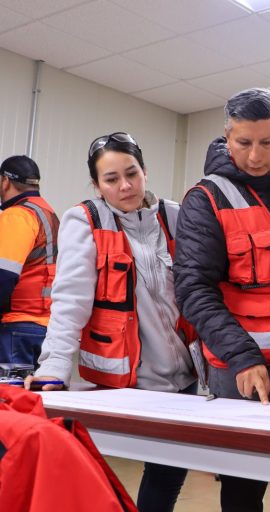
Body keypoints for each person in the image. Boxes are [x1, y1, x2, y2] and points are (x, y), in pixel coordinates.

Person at [173, 88, 270, 512]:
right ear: (227, 137)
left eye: (267, 142)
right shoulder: (205, 198)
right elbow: (193, 289)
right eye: (243, 143)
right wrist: (242, 355)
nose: (256, 156)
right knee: (244, 483)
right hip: (242, 365)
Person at [27, 132, 197, 512]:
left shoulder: (175, 216)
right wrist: (53, 366)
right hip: (122, 383)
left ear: (145, 171)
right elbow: (70, 301)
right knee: (100, 475)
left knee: (168, 474)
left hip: (182, 379)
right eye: (111, 179)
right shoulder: (85, 220)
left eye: (132, 174)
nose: (125, 186)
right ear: (96, 185)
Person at [0, 155, 58, 367]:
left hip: (17, 327)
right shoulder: (48, 213)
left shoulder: (18, 215)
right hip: (46, 327)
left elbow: (4, 276)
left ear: (5, 181)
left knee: (10, 389)